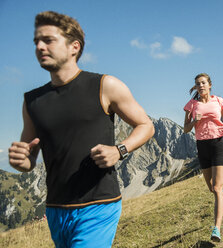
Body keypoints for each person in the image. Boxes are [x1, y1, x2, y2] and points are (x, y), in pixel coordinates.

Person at [8, 11, 154, 248]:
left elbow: (146, 125)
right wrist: (19, 161)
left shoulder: (105, 86)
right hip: (56, 209)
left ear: (74, 47)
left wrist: (119, 150)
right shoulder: (32, 101)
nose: (40, 46)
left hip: (98, 205)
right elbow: (28, 161)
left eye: (49, 40)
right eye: (37, 41)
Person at [183, 73, 223, 242]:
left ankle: (216, 228)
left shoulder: (219, 100)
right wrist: (195, 120)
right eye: (197, 84)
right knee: (212, 188)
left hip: (218, 145)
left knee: (216, 188)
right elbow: (186, 129)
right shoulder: (192, 105)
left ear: (209, 85)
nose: (200, 86)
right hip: (202, 147)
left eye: (203, 83)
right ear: (195, 87)